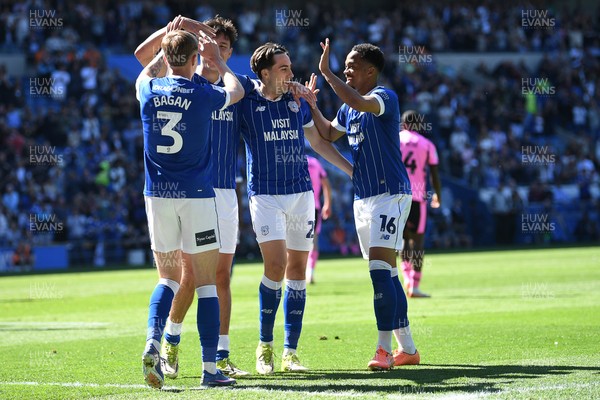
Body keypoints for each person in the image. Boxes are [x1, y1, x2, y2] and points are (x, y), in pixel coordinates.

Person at [134, 15, 255, 379]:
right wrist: (217, 60)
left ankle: (153, 343)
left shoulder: (148, 89)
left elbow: (146, 66)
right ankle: (209, 369)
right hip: (198, 196)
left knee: (167, 279)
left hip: (156, 196)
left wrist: (171, 37)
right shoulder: (203, 95)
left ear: (167, 57)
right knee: (206, 283)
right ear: (193, 60)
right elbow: (236, 91)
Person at [241, 42, 353, 374]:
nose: (291, 73)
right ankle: (265, 345)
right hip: (265, 195)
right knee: (274, 267)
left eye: (290, 67)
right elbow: (231, 81)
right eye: (284, 68)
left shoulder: (296, 102)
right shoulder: (245, 102)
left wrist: (350, 170)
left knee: (297, 273)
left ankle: (290, 351)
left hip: (301, 194)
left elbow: (318, 142)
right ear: (265, 73)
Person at [308, 39, 420, 370]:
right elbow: (328, 134)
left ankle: (383, 350)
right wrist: (313, 105)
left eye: (352, 66)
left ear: (370, 71)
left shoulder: (384, 97)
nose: (346, 69)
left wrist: (326, 73)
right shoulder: (348, 109)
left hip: (391, 194)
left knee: (378, 272)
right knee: (386, 274)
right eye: (344, 66)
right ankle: (409, 349)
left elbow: (357, 100)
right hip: (363, 198)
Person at [399, 110, 442, 298]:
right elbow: (434, 174)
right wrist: (437, 195)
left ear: (404, 124)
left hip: (397, 197)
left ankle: (406, 278)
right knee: (417, 241)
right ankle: (414, 286)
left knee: (401, 240)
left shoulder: (394, 140)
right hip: (417, 197)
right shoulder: (427, 144)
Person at [306, 155, 332, 284]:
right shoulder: (315, 162)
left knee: (291, 240)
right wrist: (327, 203)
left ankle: (292, 273)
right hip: (313, 206)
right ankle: (310, 272)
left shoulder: (293, 160)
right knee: (313, 240)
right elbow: (326, 183)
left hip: (296, 206)